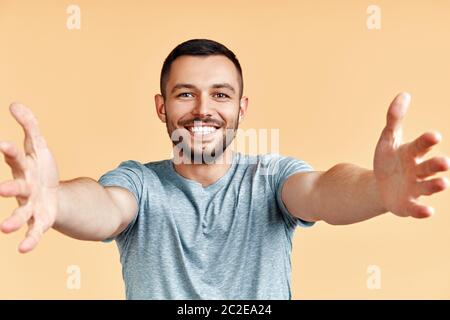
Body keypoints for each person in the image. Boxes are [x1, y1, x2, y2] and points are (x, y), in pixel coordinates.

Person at [0, 39, 448, 299]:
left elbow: (322, 191)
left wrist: (375, 190)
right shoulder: (139, 182)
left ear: (240, 107)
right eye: (184, 94)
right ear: (162, 107)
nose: (202, 110)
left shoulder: (272, 177)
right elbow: (104, 207)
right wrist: (55, 199)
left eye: (219, 94)